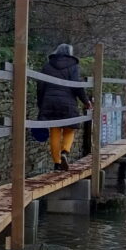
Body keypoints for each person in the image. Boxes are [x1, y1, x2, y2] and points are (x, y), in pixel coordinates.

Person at [37, 43, 92, 171]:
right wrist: (86, 101)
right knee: (70, 129)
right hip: (67, 103)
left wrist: (41, 104)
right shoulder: (73, 66)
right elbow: (76, 85)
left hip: (49, 102)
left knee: (55, 131)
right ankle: (65, 152)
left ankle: (56, 163)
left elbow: (40, 86)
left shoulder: (47, 66)